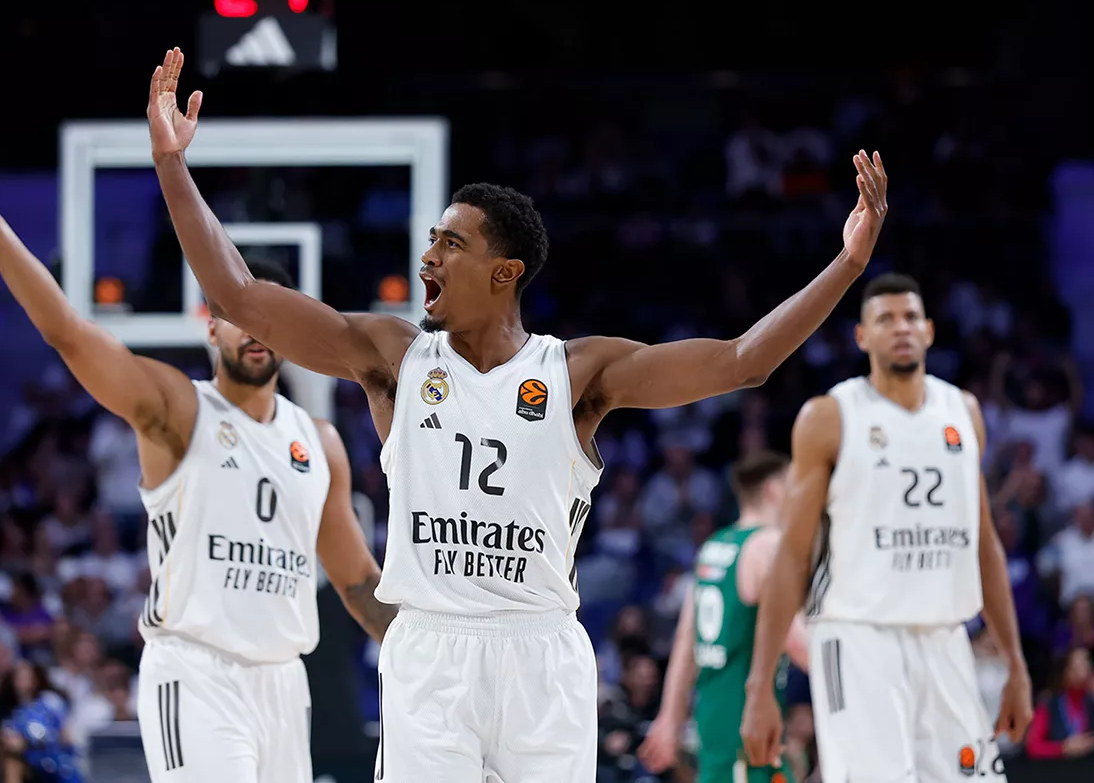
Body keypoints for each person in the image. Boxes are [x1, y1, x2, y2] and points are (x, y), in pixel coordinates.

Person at [147, 46, 891, 780]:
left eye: (450, 243)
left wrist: (848, 265)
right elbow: (241, 297)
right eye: (431, 239)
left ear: (504, 273)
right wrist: (174, 167)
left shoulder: (577, 372)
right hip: (432, 649)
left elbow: (743, 361)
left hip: (540, 652)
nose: (427, 256)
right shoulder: (392, 356)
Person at [0, 140, 396, 782]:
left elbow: (359, 583)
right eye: (236, 315)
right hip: (197, 675)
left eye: (269, 316)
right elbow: (70, 334)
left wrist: (439, 655)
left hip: (283, 683)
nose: (255, 330)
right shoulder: (179, 409)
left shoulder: (321, 442)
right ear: (209, 326)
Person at [740, 273, 1035, 783]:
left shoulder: (963, 413)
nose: (901, 327)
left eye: (911, 317)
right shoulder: (829, 417)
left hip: (944, 638)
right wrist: (760, 685)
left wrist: (1015, 662)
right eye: (885, 319)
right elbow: (791, 554)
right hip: (857, 640)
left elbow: (982, 542)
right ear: (862, 336)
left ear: (930, 330)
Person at [638, 451, 810, 781]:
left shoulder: (714, 546)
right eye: (794, 485)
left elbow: (686, 642)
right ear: (774, 490)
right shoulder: (768, 545)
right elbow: (799, 644)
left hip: (713, 719)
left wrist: (670, 718)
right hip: (751, 727)